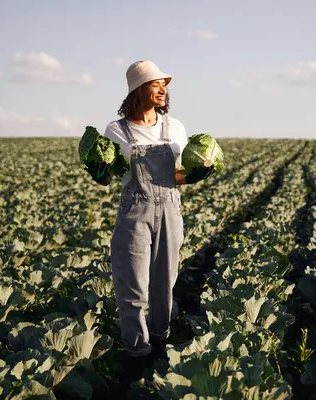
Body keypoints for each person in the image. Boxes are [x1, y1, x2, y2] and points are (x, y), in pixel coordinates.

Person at [84, 60, 215, 381]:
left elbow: (178, 175)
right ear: (137, 90)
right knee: (133, 286)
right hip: (135, 211)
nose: (162, 89)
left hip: (171, 210)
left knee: (165, 282)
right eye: (155, 84)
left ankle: (161, 342)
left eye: (164, 85)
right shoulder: (117, 130)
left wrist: (200, 173)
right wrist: (97, 170)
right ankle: (137, 352)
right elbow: (107, 176)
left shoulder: (175, 127)